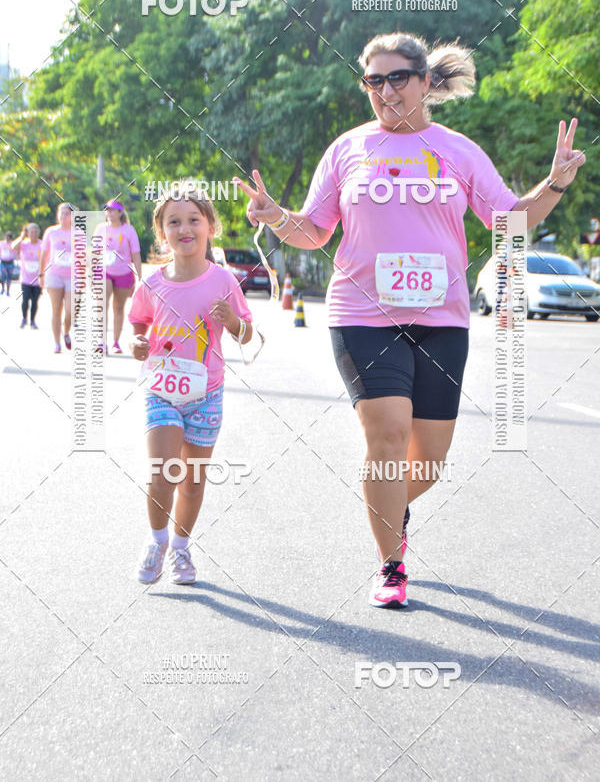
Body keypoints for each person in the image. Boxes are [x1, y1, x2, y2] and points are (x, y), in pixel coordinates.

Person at [238, 31, 586, 609]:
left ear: (426, 81)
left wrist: (554, 184)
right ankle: (392, 565)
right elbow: (314, 230)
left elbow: (508, 220)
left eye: (398, 77)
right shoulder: (348, 149)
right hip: (362, 315)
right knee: (388, 437)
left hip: (441, 319)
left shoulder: (459, 150)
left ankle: (391, 509)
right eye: (373, 80)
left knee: (427, 460)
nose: (385, 90)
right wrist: (276, 216)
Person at [128, 182, 253, 585]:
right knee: (163, 471)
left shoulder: (223, 281)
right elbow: (138, 324)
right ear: (161, 231)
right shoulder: (152, 283)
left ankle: (181, 548)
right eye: (174, 221)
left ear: (210, 226)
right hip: (162, 389)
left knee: (194, 483)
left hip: (206, 392)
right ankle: (157, 541)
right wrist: (137, 343)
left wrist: (233, 323)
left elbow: (247, 333)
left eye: (194, 220)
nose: (185, 228)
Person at [95, 199, 142, 354]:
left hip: (124, 272)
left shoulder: (129, 230)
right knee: (102, 304)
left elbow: (135, 254)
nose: (109, 212)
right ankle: (102, 342)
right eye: (107, 209)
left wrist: (139, 275)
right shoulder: (101, 228)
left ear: (120, 212)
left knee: (118, 307)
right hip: (104, 271)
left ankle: (115, 342)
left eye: (112, 210)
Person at [40, 202, 77, 353]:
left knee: (70, 310)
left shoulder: (78, 233)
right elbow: (44, 254)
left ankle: (66, 332)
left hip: (72, 276)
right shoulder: (51, 232)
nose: (63, 216)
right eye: (61, 213)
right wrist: (41, 274)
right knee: (56, 310)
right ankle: (57, 343)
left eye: (67, 213)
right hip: (54, 275)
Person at [12, 223, 42, 328]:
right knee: (25, 300)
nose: (33, 234)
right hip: (25, 279)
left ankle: (32, 320)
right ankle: (24, 318)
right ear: (27, 233)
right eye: (31, 232)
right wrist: (21, 237)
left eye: (35, 231)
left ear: (38, 232)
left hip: (37, 280)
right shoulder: (23, 244)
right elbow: (13, 247)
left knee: (35, 301)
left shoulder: (41, 245)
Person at [0, 231, 16, 296]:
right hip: (3, 262)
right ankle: (3, 288)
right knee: (2, 276)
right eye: (6, 237)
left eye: (9, 238)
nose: (7, 239)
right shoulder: (1, 243)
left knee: (9, 277)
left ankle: (8, 291)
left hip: (10, 262)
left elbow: (15, 252)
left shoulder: (12, 244)